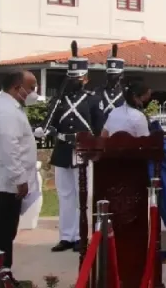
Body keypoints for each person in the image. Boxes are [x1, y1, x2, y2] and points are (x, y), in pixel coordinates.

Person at [36, 41, 105, 253]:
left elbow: (99, 128)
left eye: (79, 77)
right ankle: (67, 236)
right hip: (63, 150)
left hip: (83, 150)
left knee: (84, 194)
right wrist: (45, 130)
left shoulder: (93, 100)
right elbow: (52, 123)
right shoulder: (59, 100)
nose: (75, 80)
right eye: (72, 77)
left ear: (86, 78)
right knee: (65, 194)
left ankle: (81, 235)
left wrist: (95, 150)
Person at [0, 69, 39, 285]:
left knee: (5, 232)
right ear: (16, 87)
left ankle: (4, 273)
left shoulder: (11, 107)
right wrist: (20, 178)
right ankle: (2, 276)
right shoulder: (5, 110)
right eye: (31, 88)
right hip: (4, 183)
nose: (34, 93)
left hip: (7, 181)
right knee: (2, 233)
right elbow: (9, 147)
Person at [93, 44, 126, 120]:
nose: (112, 78)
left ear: (121, 76)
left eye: (115, 76)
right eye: (110, 75)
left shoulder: (126, 94)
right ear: (106, 75)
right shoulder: (98, 92)